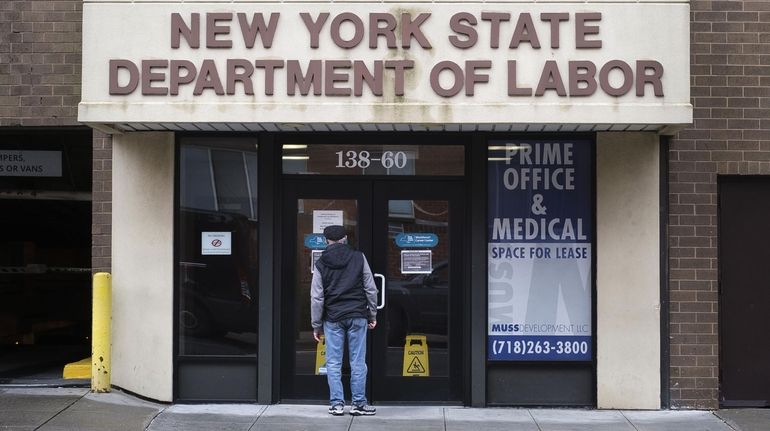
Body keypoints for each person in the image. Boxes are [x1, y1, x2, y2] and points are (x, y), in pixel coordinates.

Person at [311, 225, 378, 416]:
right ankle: (358, 404)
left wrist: (316, 324)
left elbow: (316, 297)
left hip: (332, 317)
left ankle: (337, 404)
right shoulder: (359, 257)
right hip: (357, 315)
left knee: (333, 362)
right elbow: (370, 289)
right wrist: (372, 314)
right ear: (345, 238)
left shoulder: (321, 262)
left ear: (326, 241)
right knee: (358, 361)